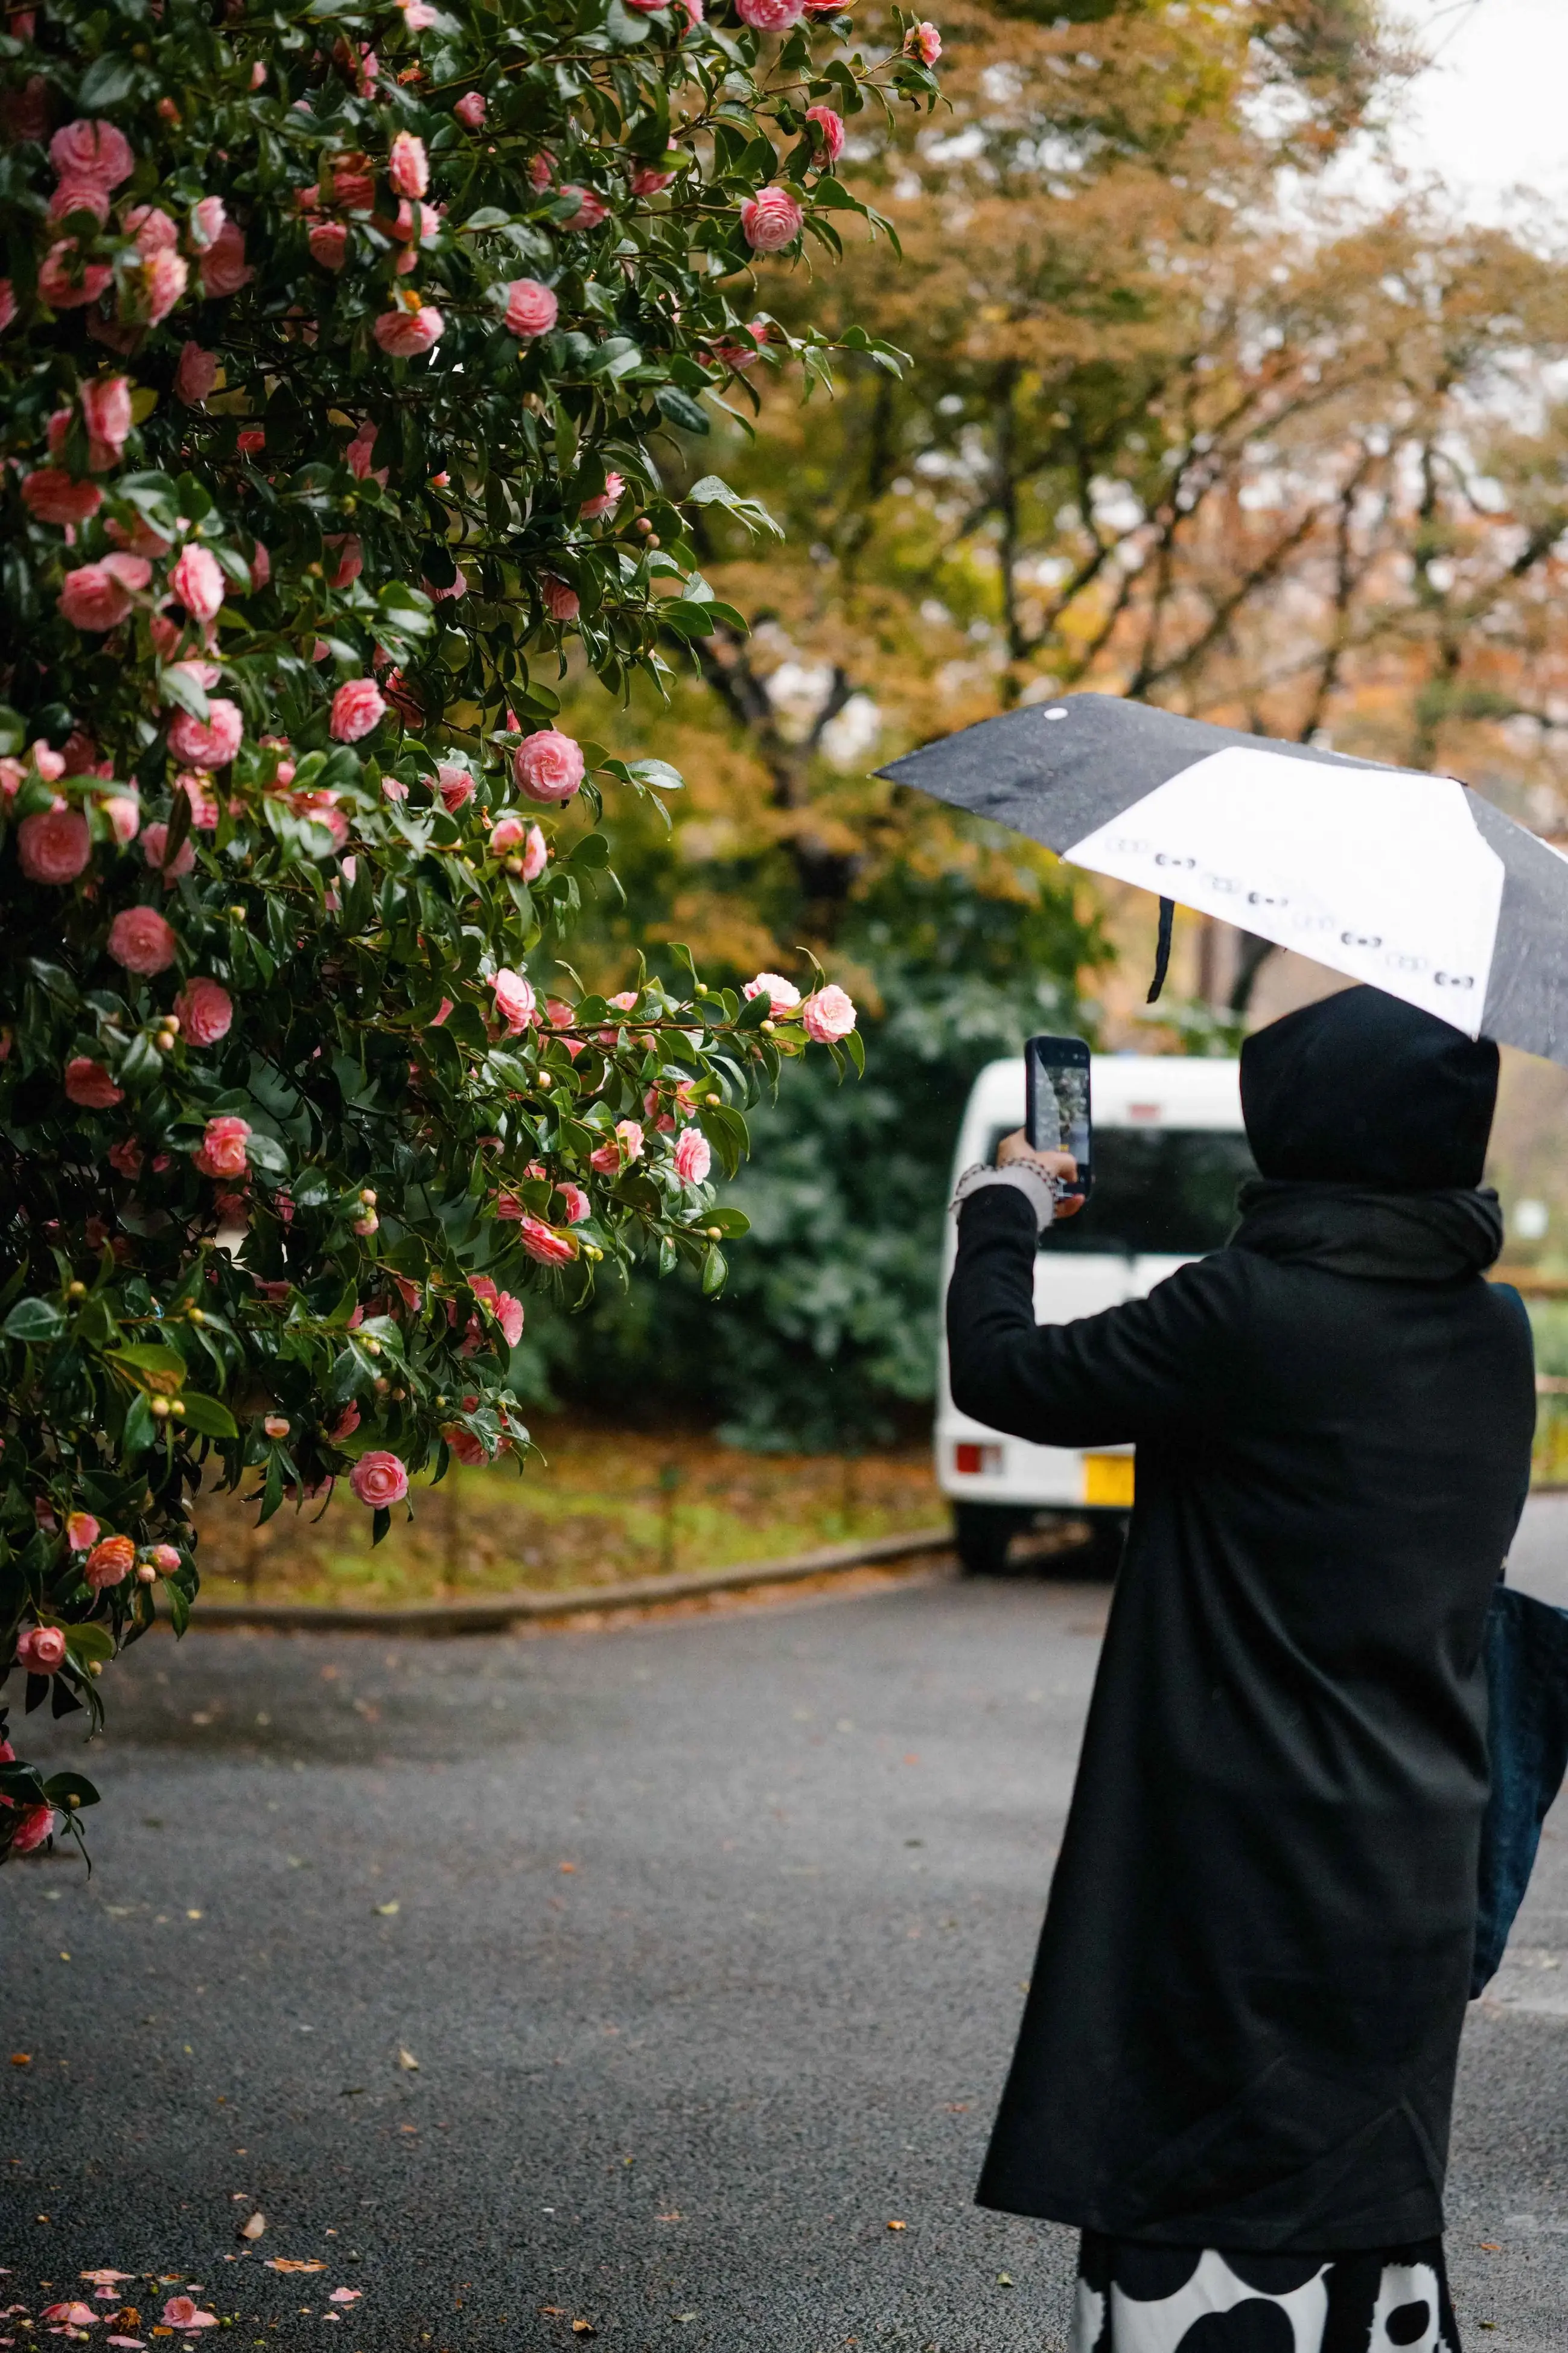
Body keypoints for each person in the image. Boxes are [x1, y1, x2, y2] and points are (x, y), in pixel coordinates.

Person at [945, 986, 1536, 2353]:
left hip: (1233, 1853)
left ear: (1306, 1128)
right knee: (1359, 2194)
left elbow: (1004, 1372)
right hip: (1415, 1853)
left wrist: (1008, 1204)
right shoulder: (1497, 1333)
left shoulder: (1247, 1312)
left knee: (1204, 2184)